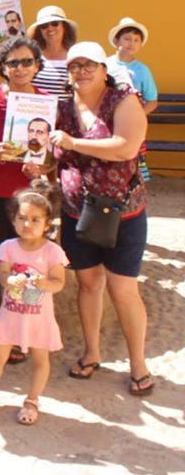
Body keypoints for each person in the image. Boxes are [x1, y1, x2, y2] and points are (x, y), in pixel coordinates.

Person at [49, 42, 151, 395]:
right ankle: (91, 353)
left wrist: (73, 143)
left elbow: (125, 146)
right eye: (74, 65)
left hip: (124, 213)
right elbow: (55, 154)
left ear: (104, 69)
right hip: (78, 213)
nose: (82, 71)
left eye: (89, 64)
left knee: (123, 289)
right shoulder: (62, 108)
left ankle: (137, 362)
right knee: (88, 284)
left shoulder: (122, 100)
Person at [0, 36, 47, 364]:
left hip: (30, 199)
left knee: (27, 269)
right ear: (2, 67)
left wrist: (42, 165)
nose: (20, 68)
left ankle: (20, 332)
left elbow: (51, 155)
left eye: (27, 61)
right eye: (13, 62)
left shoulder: (45, 103)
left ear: (37, 65)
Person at [0, 185, 67, 425]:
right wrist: (11, 280)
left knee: (41, 360)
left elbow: (59, 282)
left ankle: (32, 400)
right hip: (9, 316)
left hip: (39, 318)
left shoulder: (53, 251)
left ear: (47, 223)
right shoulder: (7, 247)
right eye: (22, 218)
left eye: (35, 219)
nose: (27, 224)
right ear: (13, 219)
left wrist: (43, 282)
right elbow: (2, 276)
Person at [0, 5, 76, 98]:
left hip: (65, 111)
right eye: (44, 26)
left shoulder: (74, 56)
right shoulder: (31, 55)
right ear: (39, 30)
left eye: (55, 23)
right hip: (32, 109)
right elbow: (2, 65)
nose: (50, 28)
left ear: (64, 26)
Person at [105, 17, 158, 116]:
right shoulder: (104, 65)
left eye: (136, 40)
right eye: (127, 39)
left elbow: (152, 101)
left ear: (140, 44)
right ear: (116, 41)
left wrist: (138, 116)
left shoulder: (142, 70)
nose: (131, 43)